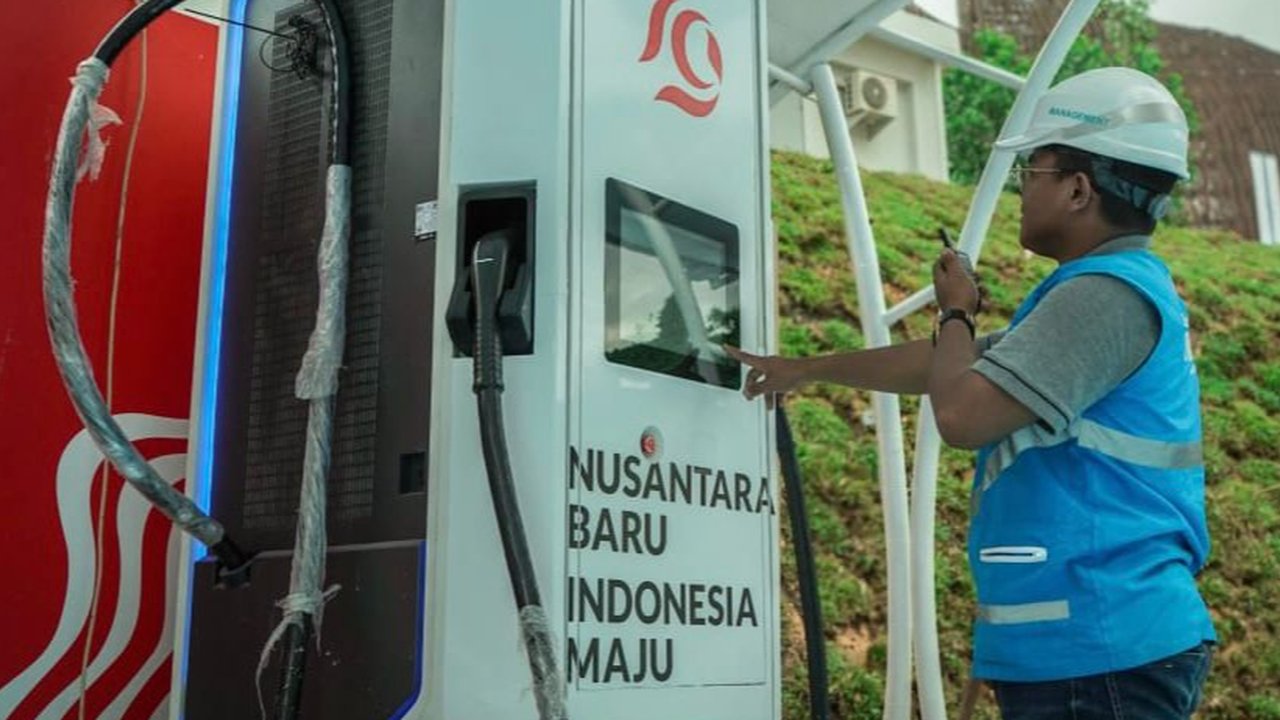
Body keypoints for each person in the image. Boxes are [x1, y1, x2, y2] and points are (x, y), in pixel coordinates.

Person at [727, 67, 1215, 719]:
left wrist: (955, 310)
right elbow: (947, 365)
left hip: (1100, 648)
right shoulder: (1105, 293)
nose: (1021, 190)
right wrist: (807, 368)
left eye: (1031, 172)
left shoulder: (1104, 298)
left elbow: (959, 412)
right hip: (1086, 648)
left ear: (1078, 189)